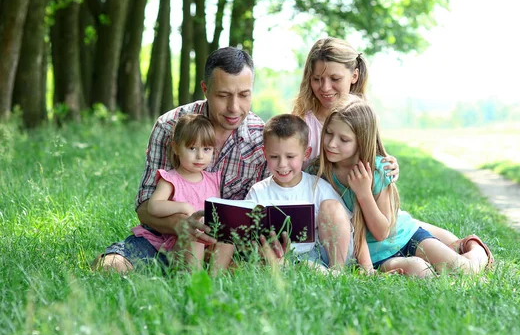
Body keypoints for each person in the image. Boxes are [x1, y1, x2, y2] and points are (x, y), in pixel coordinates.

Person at [291, 37, 491, 262]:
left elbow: (373, 156)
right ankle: (456, 250)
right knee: (402, 234)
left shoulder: (359, 112)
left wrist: (387, 165)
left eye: (335, 78)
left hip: (372, 213)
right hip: (342, 216)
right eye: (317, 79)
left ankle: (470, 249)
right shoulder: (304, 126)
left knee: (406, 228)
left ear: (353, 75)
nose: (325, 87)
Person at [94, 47, 277, 272]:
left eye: (244, 95)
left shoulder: (263, 138)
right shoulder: (170, 126)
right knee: (109, 267)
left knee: (267, 269)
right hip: (165, 240)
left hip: (229, 248)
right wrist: (179, 225)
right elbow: (144, 207)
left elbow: (267, 210)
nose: (234, 107)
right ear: (205, 89)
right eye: (223, 95)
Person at [317, 98, 494, 276]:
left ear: (362, 141)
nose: (332, 143)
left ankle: (475, 247)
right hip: (375, 257)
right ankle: (444, 251)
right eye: (329, 133)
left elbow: (381, 232)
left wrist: (364, 193)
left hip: (405, 238)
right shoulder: (320, 172)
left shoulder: (378, 170)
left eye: (344, 139)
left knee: (464, 270)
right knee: (421, 272)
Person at [245, 114, 373, 272]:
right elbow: (248, 236)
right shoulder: (259, 192)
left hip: (320, 254)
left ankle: (336, 271)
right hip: (279, 259)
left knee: (332, 207)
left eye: (290, 156)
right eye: (274, 157)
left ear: (306, 154)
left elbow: (350, 225)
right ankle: (318, 272)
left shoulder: (317, 186)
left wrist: (367, 266)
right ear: (265, 153)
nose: (282, 164)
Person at [130, 114, 234, 273]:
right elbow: (153, 206)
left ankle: (214, 279)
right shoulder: (170, 179)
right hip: (179, 242)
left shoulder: (213, 179)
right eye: (192, 148)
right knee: (194, 238)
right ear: (176, 147)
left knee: (227, 241)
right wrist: (183, 207)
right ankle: (196, 280)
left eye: (206, 149)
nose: (200, 156)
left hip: (208, 241)